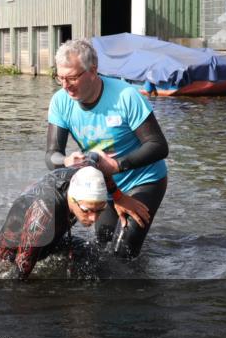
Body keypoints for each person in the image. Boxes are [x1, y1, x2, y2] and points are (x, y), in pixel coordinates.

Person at [45, 39, 169, 259]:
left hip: (143, 179)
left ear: (93, 70)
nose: (65, 86)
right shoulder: (60, 102)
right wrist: (65, 161)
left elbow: (158, 146)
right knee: (102, 249)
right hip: (105, 184)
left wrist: (116, 165)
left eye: (72, 78)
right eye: (60, 78)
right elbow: (51, 155)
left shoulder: (126, 96)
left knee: (123, 253)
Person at [0, 165, 119, 278]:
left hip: (51, 237)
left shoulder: (82, 175)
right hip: (15, 253)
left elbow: (99, 168)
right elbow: (20, 270)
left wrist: (119, 197)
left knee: (95, 256)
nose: (94, 218)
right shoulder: (44, 213)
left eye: (99, 210)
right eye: (87, 210)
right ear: (73, 198)